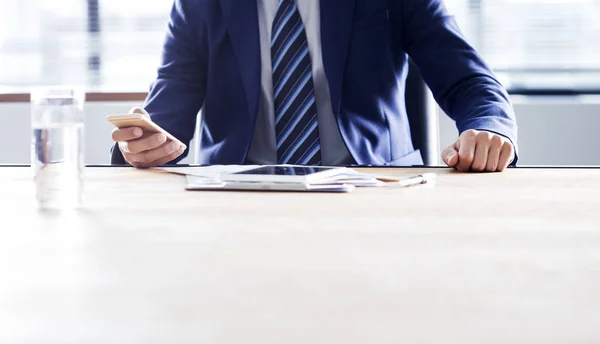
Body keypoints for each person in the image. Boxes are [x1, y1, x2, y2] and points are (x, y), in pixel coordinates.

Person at [111, 0, 518, 172]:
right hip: (235, 198)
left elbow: (469, 79)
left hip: (373, 194)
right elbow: (170, 102)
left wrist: (491, 128)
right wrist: (142, 143)